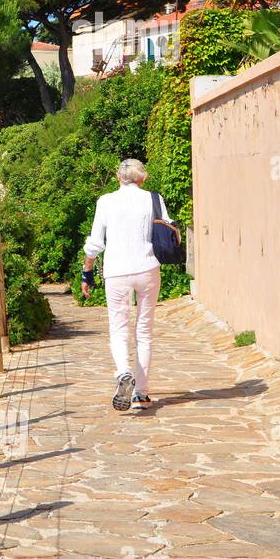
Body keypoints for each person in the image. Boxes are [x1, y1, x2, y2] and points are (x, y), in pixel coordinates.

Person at [81, 159, 165, 412]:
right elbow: (167, 229)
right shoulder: (153, 198)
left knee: (118, 328)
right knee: (144, 330)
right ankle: (141, 393)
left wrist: (87, 273)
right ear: (143, 178)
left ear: (118, 177)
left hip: (117, 272)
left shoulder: (105, 201)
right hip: (148, 268)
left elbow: (95, 242)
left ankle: (123, 374)